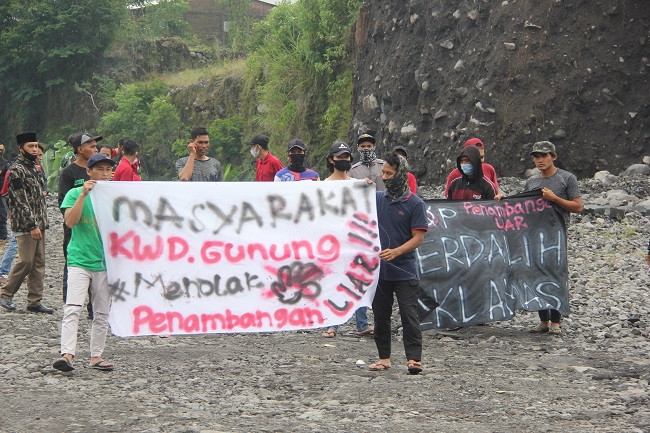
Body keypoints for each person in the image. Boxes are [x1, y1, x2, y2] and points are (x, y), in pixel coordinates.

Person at [53, 153, 116, 372]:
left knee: (102, 312)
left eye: (108, 169)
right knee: (73, 308)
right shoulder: (73, 193)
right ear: (89, 172)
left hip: (105, 263)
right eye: (100, 169)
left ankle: (96, 356)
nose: (105, 173)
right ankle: (67, 354)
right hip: (80, 259)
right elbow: (70, 221)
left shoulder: (115, 197)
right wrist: (83, 194)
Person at [369, 152, 428, 375]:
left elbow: (418, 238)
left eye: (389, 173)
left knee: (409, 314)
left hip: (405, 270)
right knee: (381, 315)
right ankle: (384, 358)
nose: (385, 177)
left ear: (401, 174)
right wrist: (360, 187)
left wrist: (396, 252)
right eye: (383, 172)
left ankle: (414, 359)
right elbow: (352, 201)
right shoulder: (376, 198)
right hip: (380, 271)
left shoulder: (415, 204)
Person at [525, 141, 582, 335]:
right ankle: (543, 321)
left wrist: (554, 198)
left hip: (557, 237)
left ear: (554, 157)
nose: (539, 160)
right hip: (535, 237)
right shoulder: (532, 182)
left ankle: (556, 322)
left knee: (557, 276)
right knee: (538, 275)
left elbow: (578, 206)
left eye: (544, 156)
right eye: (536, 156)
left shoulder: (567, 178)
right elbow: (522, 207)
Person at [321, 141, 374, 338]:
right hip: (332, 242)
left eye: (346, 157)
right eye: (339, 157)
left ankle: (361, 323)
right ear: (331, 160)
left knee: (356, 279)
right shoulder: (324, 186)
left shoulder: (355, 184)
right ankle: (332, 323)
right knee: (334, 279)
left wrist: (366, 188)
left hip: (354, 240)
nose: (343, 160)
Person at [0, 133, 52, 313]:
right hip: (25, 225)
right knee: (26, 262)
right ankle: (6, 294)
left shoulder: (35, 169)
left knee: (39, 263)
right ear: (21, 149)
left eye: (36, 146)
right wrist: (32, 225)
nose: (35, 149)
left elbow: (39, 197)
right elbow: (20, 200)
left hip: (40, 223)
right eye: (31, 146)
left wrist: (41, 223)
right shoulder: (16, 170)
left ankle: (34, 301)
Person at [59, 133, 100, 316]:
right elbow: (63, 203)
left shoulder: (99, 171)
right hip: (75, 228)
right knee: (74, 265)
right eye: (91, 146)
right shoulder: (68, 172)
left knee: (98, 266)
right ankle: (71, 304)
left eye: (96, 146)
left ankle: (94, 308)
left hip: (97, 228)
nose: (95, 149)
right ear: (80, 149)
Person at [0, 142, 10, 243]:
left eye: (1, 150)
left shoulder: (5, 164)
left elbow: (9, 178)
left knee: (2, 216)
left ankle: (2, 238)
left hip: (1, 194)